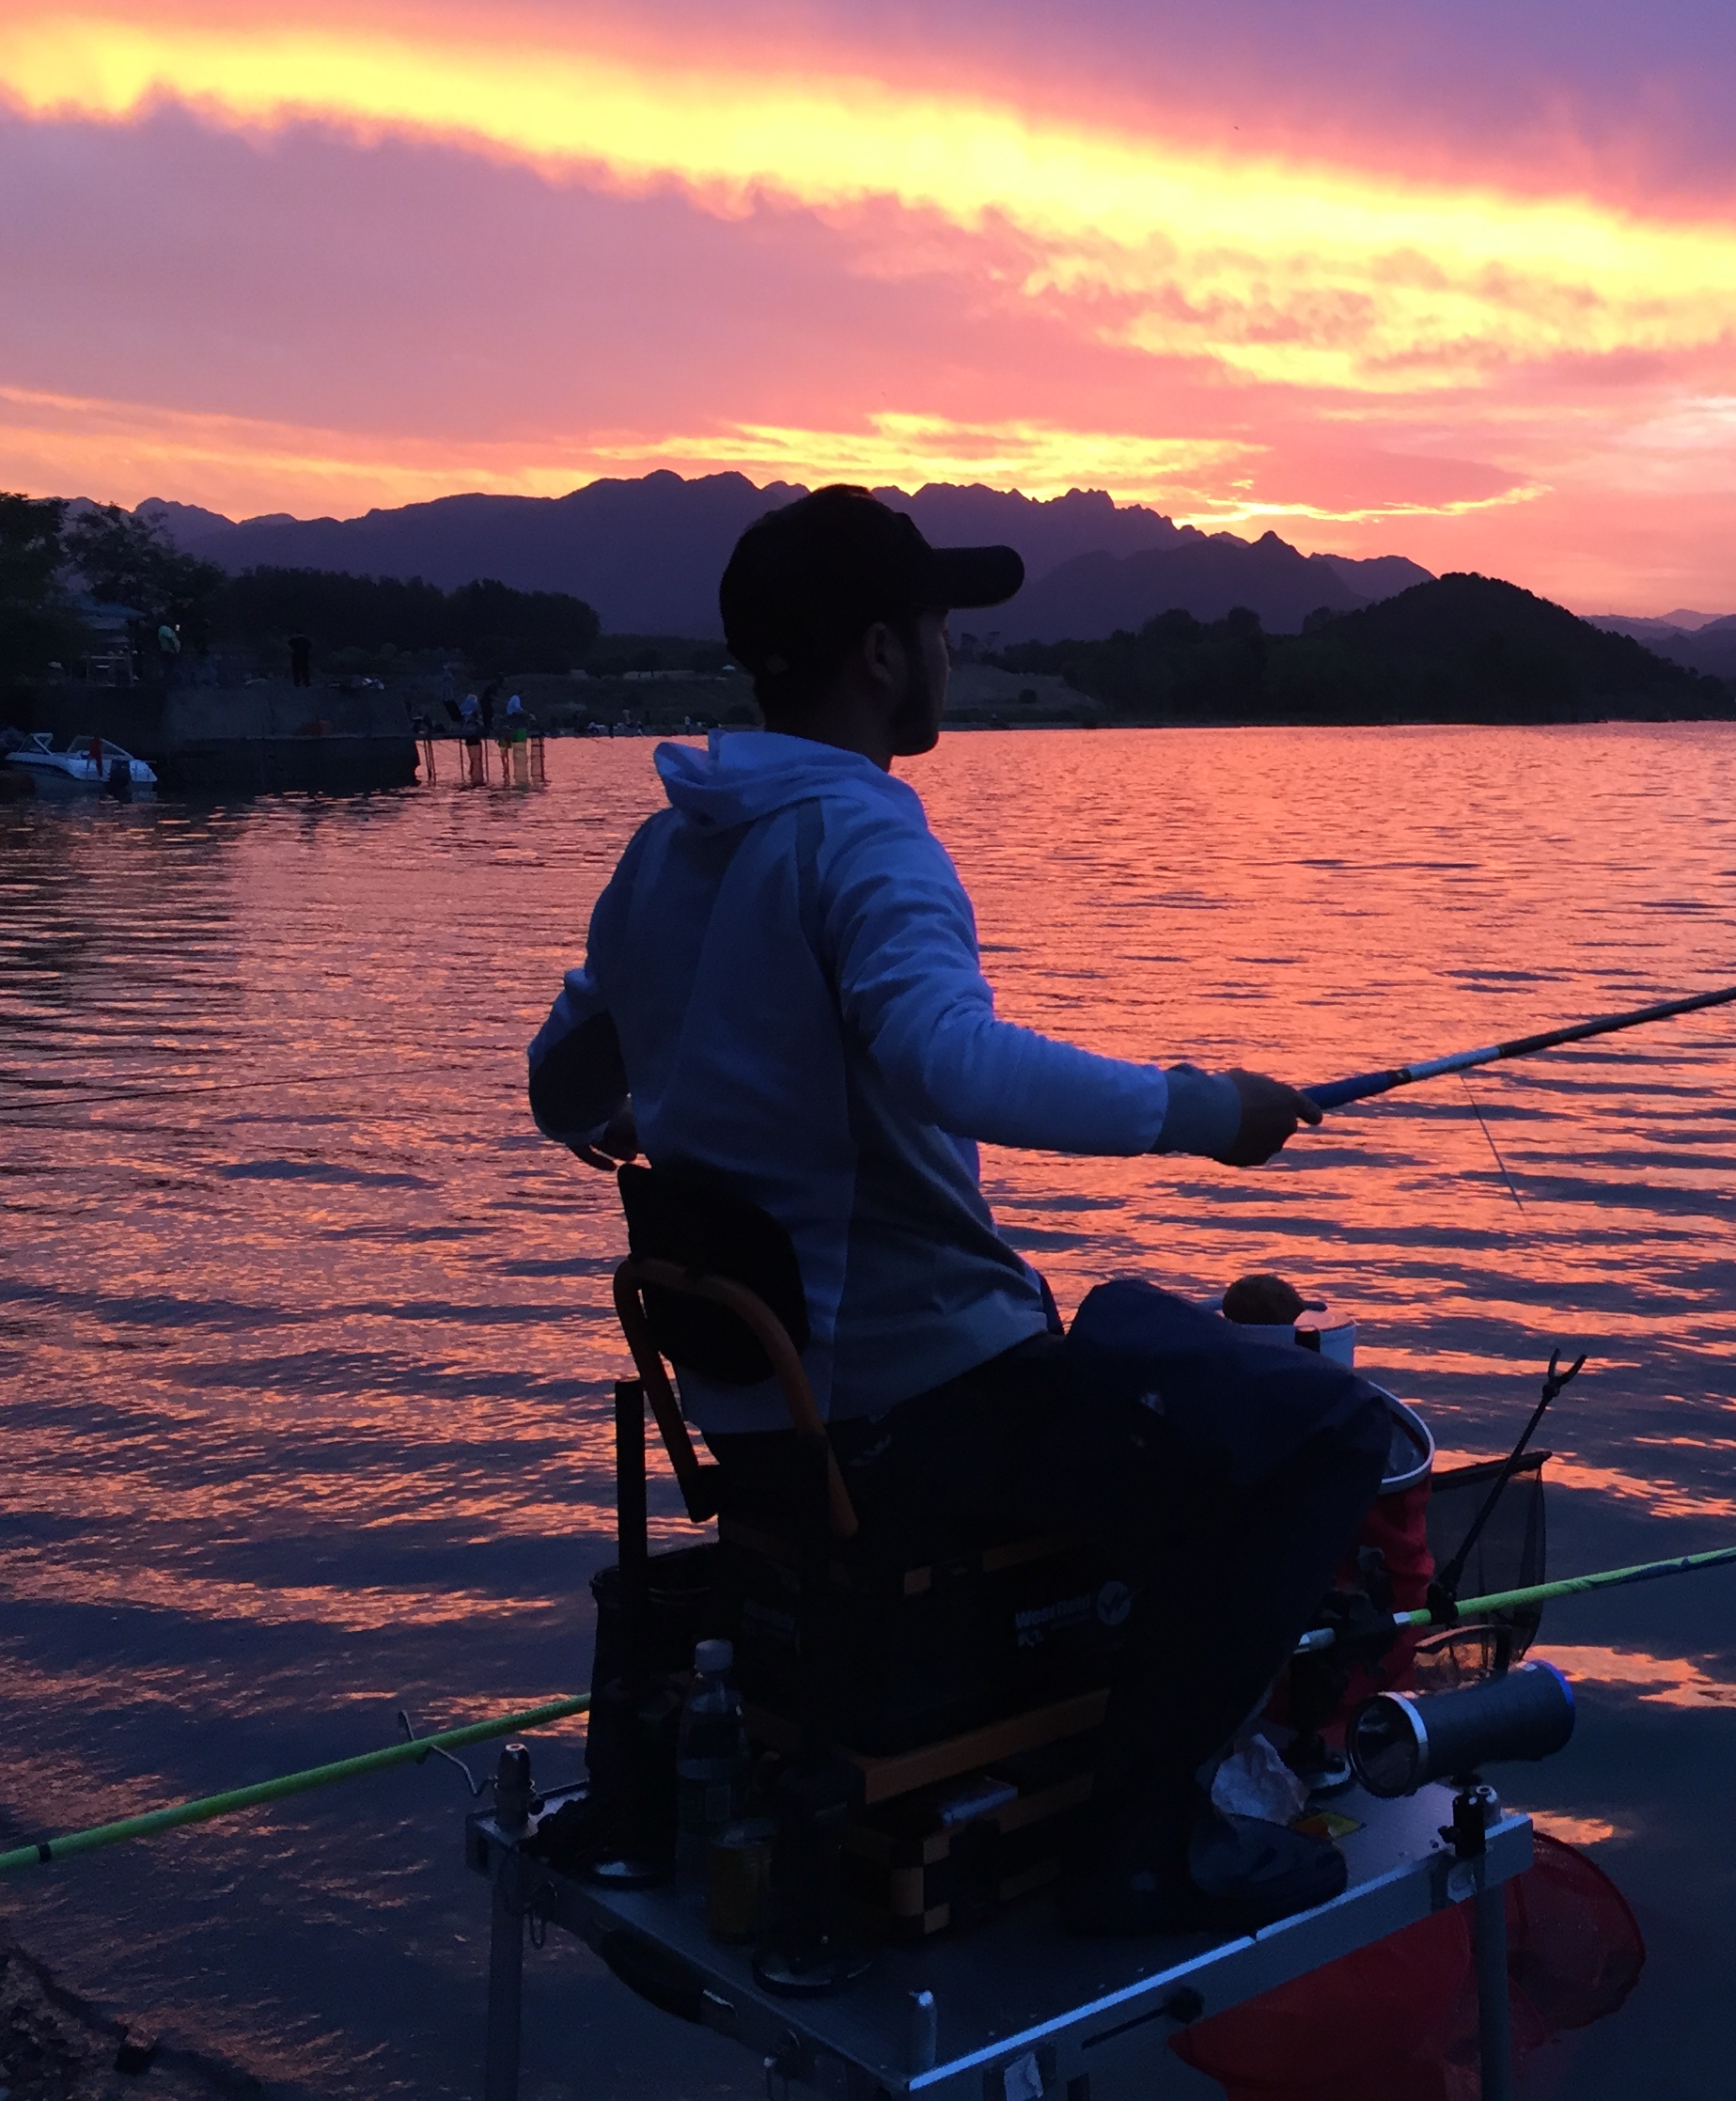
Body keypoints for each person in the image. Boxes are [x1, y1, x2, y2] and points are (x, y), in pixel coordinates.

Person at [525, 485, 1386, 1936]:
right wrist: (1208, 1114)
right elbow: (948, 1056)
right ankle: (1151, 1840)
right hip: (913, 1412)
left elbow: (562, 1086)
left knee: (1129, 1343)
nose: (951, 651)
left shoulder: (665, 852)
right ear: (878, 649)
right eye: (936, 624)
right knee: (1324, 1435)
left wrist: (669, 1110)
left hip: (762, 1425)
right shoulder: (866, 839)